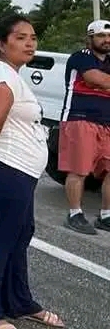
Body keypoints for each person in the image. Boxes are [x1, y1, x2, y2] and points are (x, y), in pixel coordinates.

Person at [0, 14, 64, 328]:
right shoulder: (1, 72)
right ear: (1, 43)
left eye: (32, 37)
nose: (30, 43)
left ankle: (19, 302)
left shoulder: (8, 74)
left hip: (17, 170)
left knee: (19, 234)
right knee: (2, 237)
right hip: (5, 168)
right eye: (20, 37)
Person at [59, 19, 110, 234]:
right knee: (78, 170)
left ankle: (106, 215)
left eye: (109, 37)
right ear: (90, 38)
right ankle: (74, 213)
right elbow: (99, 80)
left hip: (106, 122)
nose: (107, 40)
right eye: (101, 36)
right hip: (79, 119)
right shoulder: (80, 58)